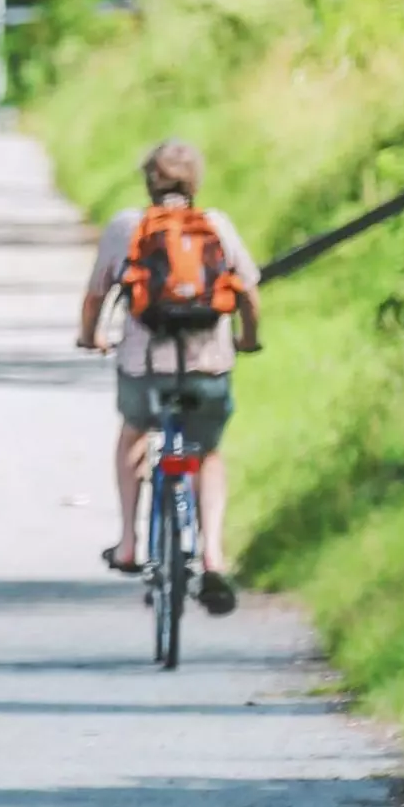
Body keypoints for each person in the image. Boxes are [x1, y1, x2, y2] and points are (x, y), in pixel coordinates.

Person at [75, 140, 261, 614]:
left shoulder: (126, 226)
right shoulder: (215, 226)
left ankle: (129, 542)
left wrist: (89, 337)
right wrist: (247, 339)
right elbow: (248, 291)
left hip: (144, 369)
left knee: (134, 435)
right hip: (207, 367)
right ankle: (214, 555)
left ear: (148, 181)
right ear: (194, 181)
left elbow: (97, 295)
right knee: (208, 453)